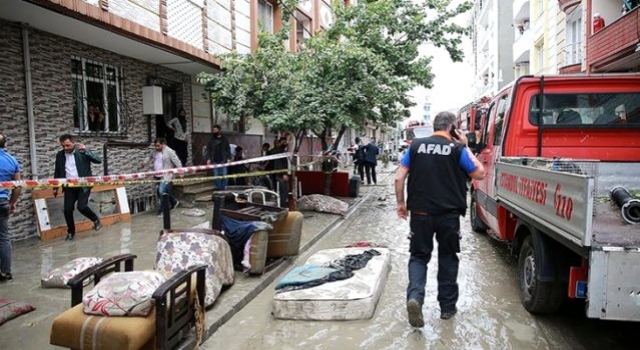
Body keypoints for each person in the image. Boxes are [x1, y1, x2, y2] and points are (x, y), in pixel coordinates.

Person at [394, 111, 486, 327]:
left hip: (420, 215)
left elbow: (399, 177)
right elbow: (479, 173)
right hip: (449, 217)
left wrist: (401, 204)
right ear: (453, 128)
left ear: (434, 126)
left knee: (418, 257)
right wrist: (466, 145)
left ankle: (415, 298)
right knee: (447, 258)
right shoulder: (458, 150)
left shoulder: (415, 146)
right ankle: (446, 309)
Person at [53, 134, 102, 241]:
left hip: (83, 185)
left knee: (82, 206)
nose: (66, 148)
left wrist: (86, 151)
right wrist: (55, 187)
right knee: (67, 209)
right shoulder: (60, 155)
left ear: (73, 143)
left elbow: (98, 160)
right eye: (63, 146)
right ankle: (71, 232)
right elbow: (57, 171)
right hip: (69, 186)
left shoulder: (82, 152)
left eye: (68, 145)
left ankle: (96, 219)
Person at [142, 138, 181, 217]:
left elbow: (177, 162)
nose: (156, 147)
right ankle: (174, 202)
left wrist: (181, 171)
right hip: (157, 175)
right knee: (165, 191)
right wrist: (145, 162)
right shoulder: (154, 151)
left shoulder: (169, 152)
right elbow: (149, 157)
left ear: (163, 144)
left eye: (158, 146)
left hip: (166, 175)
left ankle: (163, 211)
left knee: (161, 191)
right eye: (155, 146)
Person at [0, 135, 21, 282]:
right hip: (2, 202)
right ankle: (5, 272)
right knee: (3, 237)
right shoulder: (11, 160)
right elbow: (17, 186)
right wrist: (12, 202)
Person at [206, 125, 232, 189]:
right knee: (216, 175)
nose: (214, 131)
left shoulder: (224, 139)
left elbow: (228, 149)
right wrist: (208, 159)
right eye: (213, 130)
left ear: (219, 130)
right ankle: (219, 189)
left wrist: (229, 158)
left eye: (215, 130)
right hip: (214, 160)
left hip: (223, 160)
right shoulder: (211, 140)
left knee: (224, 175)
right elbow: (208, 150)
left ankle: (225, 188)